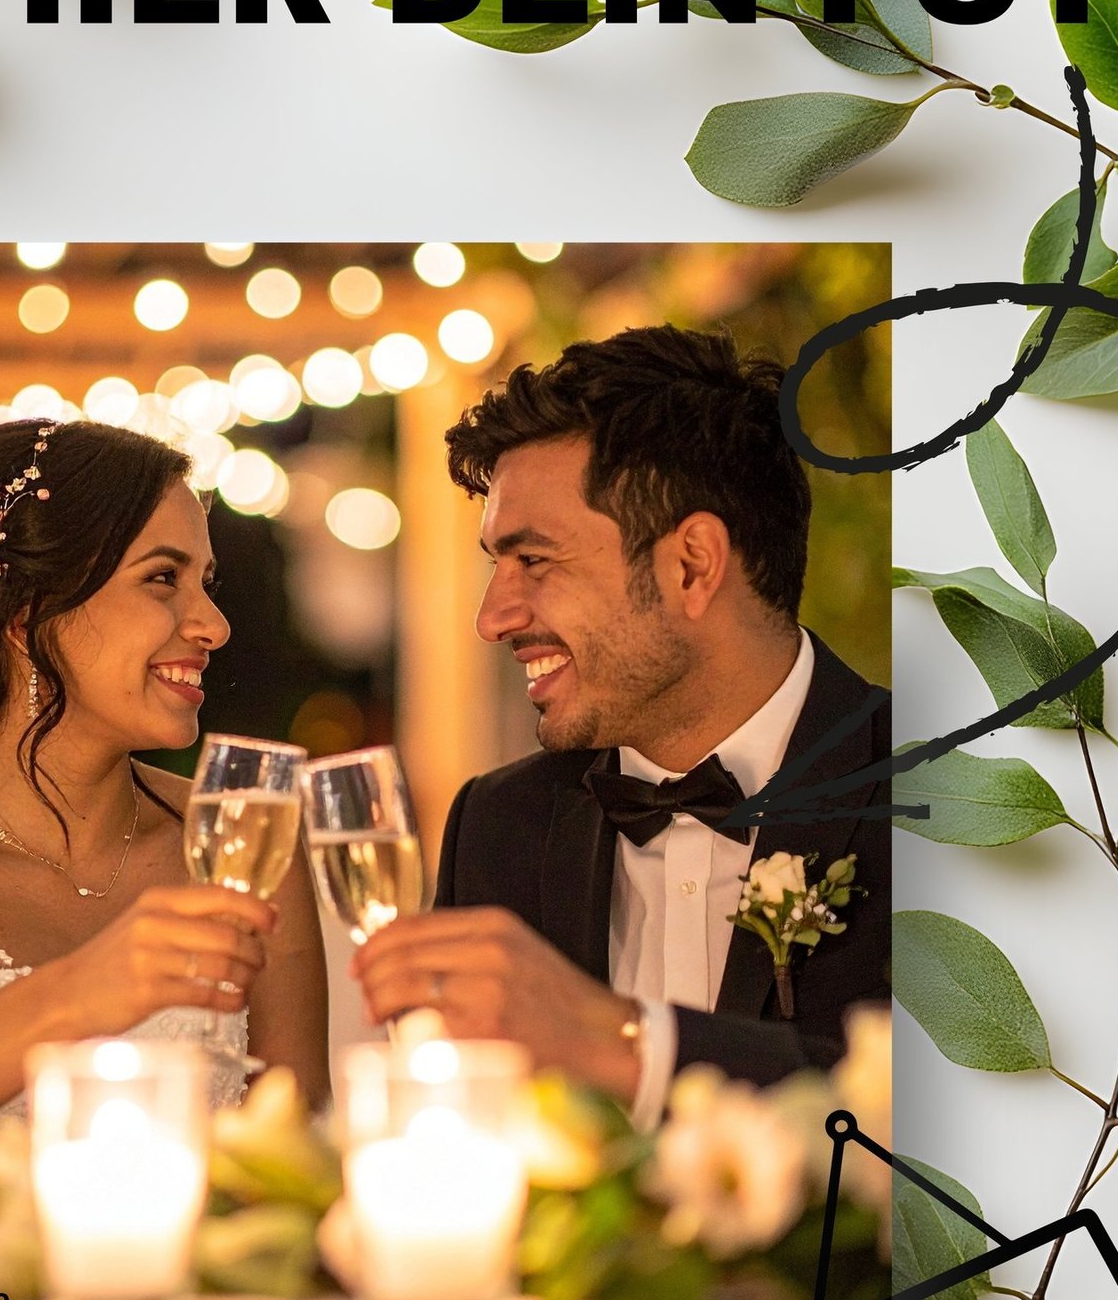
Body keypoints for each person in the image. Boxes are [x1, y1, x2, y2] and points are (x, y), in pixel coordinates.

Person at [352, 324, 889, 1124]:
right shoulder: (498, 828)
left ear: (691, 566)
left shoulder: (948, 795)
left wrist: (619, 1041)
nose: (492, 617)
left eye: (535, 562)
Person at [0, 418, 329, 1156]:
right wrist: (83, 993)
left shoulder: (245, 839)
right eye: (162, 578)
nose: (213, 624)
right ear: (28, 614)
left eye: (204, 584)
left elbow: (302, 1153)